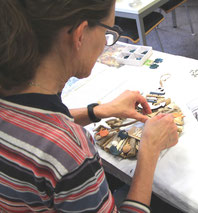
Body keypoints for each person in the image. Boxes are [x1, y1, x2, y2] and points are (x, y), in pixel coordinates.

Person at [0, 0, 178, 212]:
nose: (105, 43)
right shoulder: (69, 151)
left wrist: (96, 111)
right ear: (80, 34)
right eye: (108, 32)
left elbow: (31, 127)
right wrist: (149, 150)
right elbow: (53, 142)